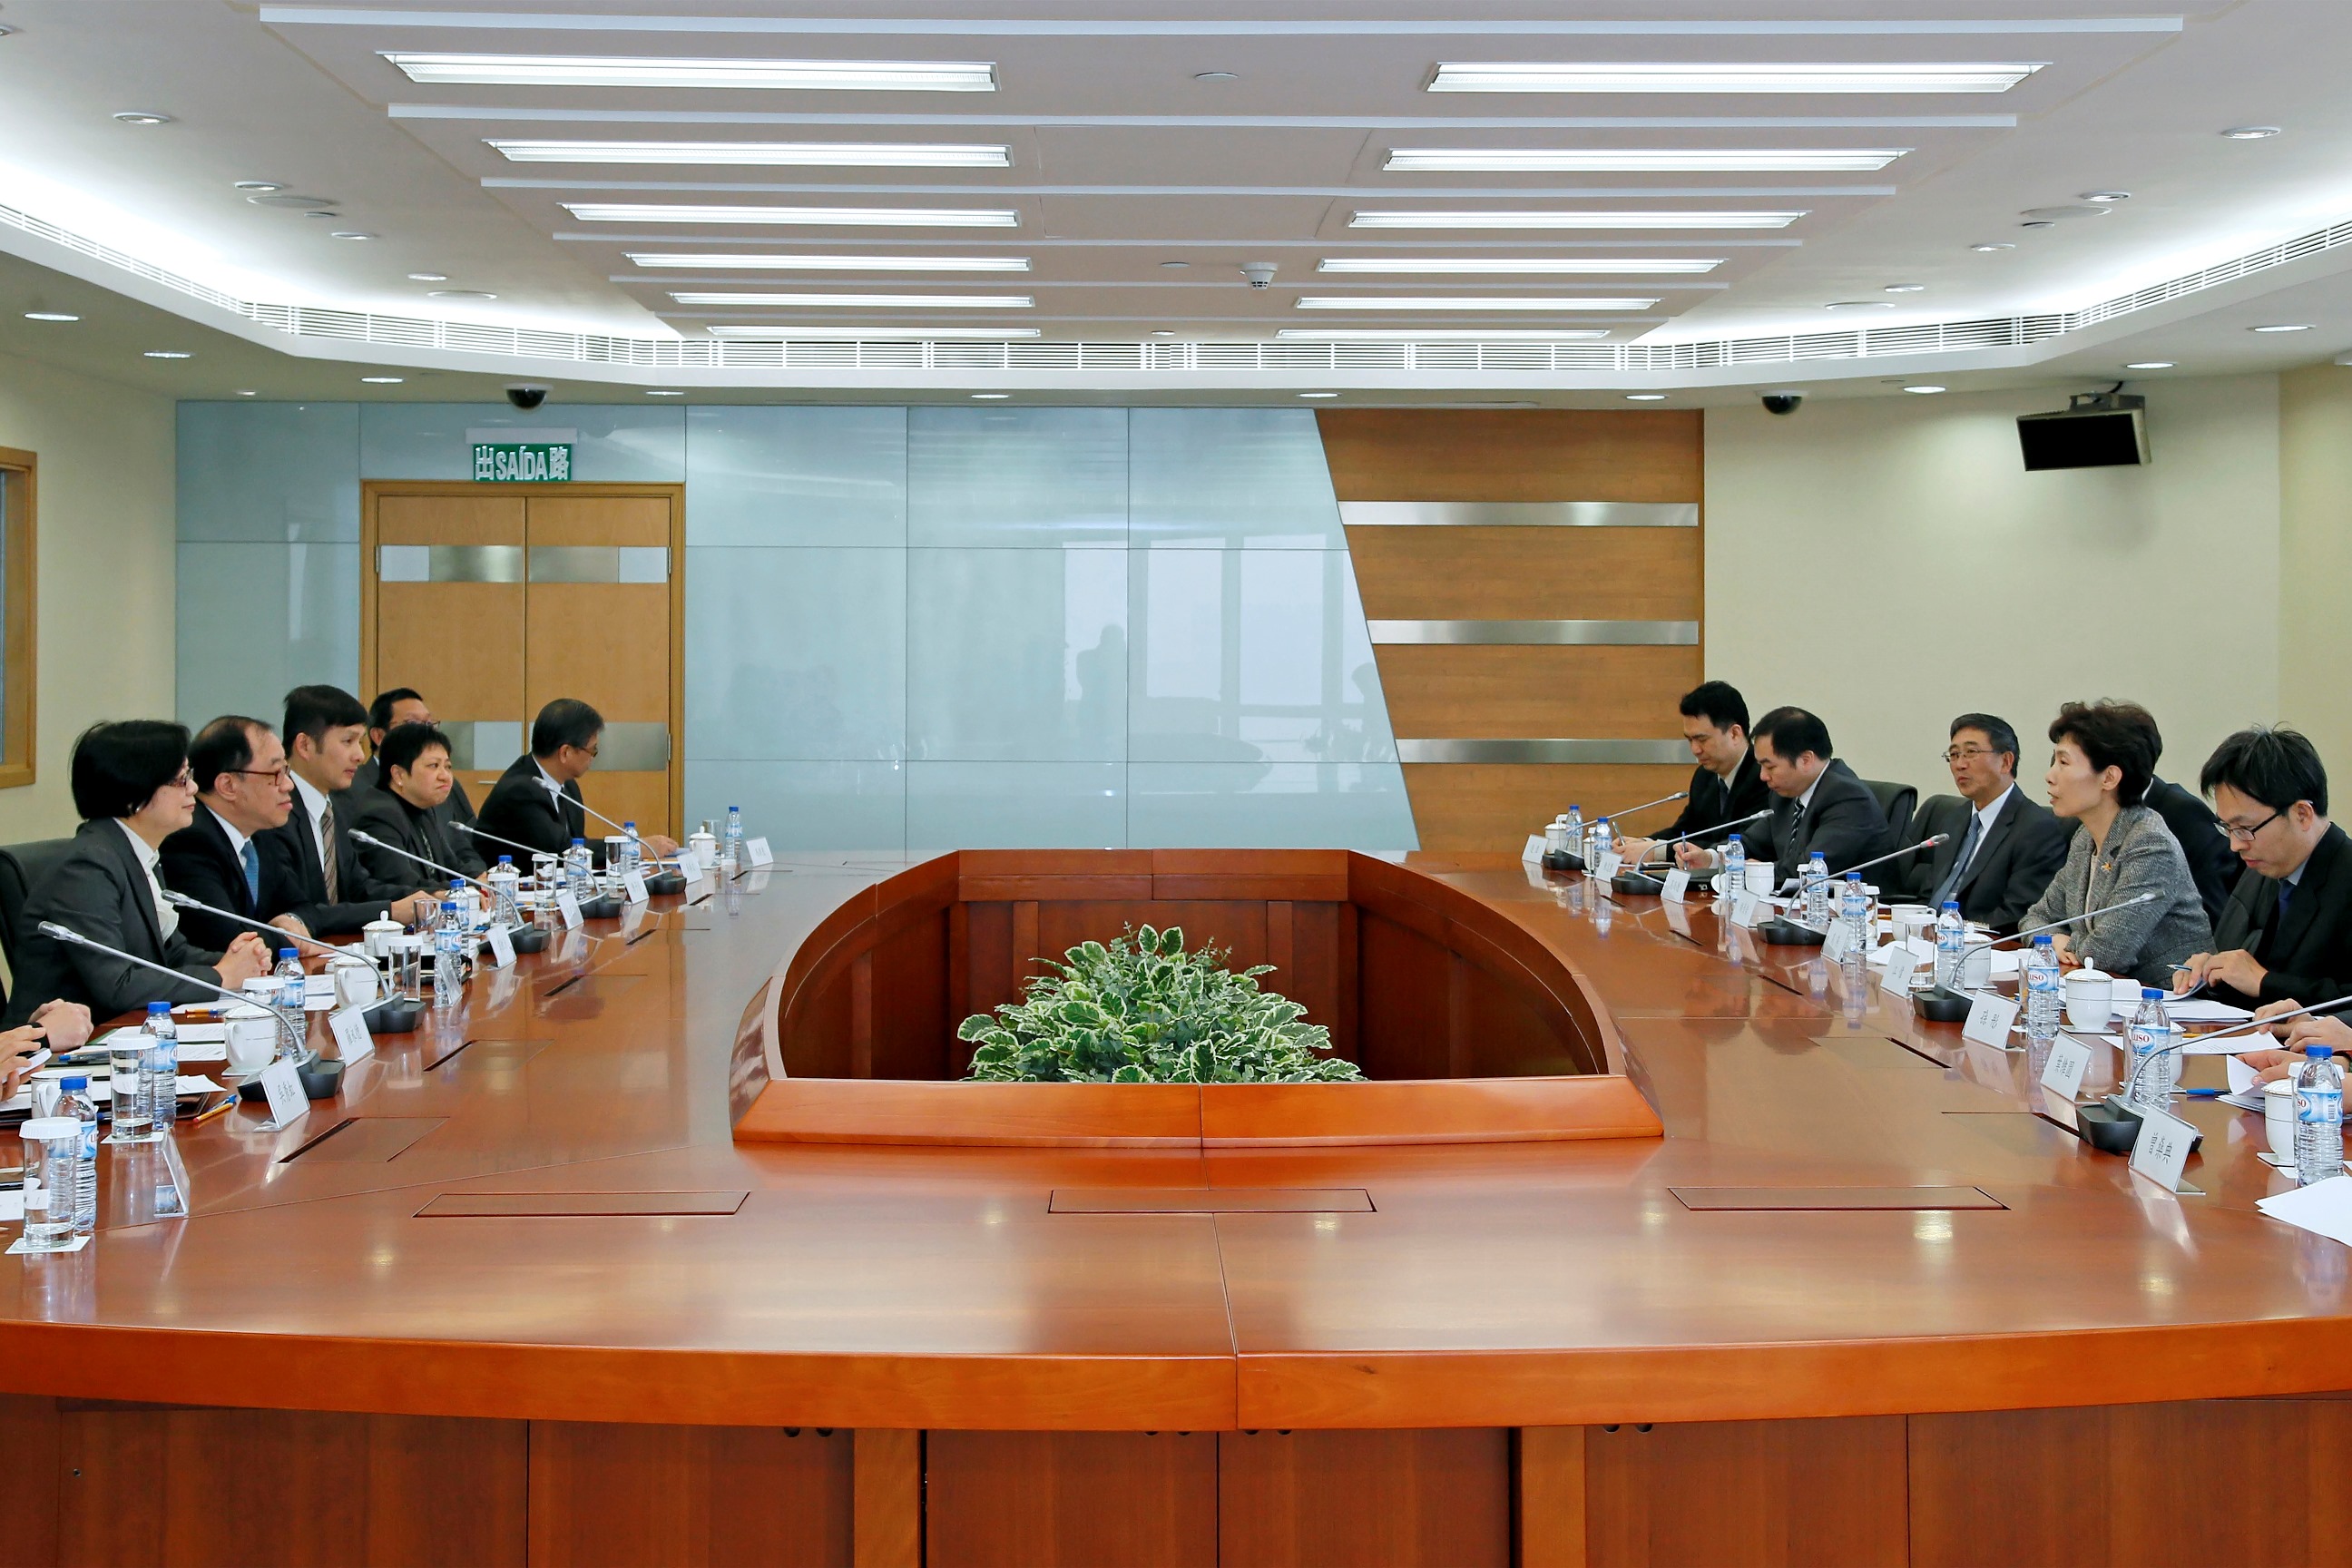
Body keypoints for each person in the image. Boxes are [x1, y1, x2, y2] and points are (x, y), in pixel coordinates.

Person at [4, 721, 271, 1025]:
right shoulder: (87, 867)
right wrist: (220, 976)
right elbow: (117, 985)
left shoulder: (137, 854)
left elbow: (170, 955)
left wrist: (239, 960)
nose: (194, 789)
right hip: (58, 1044)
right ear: (134, 796)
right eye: (181, 779)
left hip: (124, 1029)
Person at [2017, 701, 2211, 987]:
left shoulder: (2150, 845)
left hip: (2166, 1002)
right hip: (2103, 995)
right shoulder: (2085, 838)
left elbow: (2105, 954)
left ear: (2109, 777)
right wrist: (2054, 939)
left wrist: (2060, 941)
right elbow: (2034, 918)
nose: (2050, 775)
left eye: (2064, 762)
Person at [2171, 726, 2352, 1012]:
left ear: (2302, 814)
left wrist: (2265, 982)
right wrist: (2211, 973)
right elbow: (2242, 972)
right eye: (2227, 828)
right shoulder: (2262, 870)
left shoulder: (2345, 876)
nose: (2235, 845)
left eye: (2245, 828)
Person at [268, 685, 430, 936]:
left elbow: (359, 887)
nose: (360, 756)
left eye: (360, 742)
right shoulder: (275, 813)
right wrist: (389, 910)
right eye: (348, 741)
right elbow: (299, 911)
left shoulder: (337, 808)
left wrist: (426, 897)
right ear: (305, 745)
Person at [1896, 713, 2071, 934]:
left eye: (1971, 753)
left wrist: (1951, 932)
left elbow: (2018, 914)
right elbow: (1930, 896)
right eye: (1954, 755)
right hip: (1929, 938)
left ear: (2006, 762)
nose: (1960, 765)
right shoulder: (1954, 818)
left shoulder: (2036, 829)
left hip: (1979, 943)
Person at [1676, 706, 1886, 882]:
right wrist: (1710, 858)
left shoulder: (1848, 798)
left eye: (1770, 767)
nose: (1763, 776)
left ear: (1806, 760)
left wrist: (1754, 871)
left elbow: (1809, 869)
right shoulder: (1785, 795)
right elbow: (1750, 843)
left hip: (1865, 911)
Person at [158, 715, 307, 952]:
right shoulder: (188, 840)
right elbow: (226, 939)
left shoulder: (259, 833)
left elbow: (303, 907)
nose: (288, 784)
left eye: (286, 770)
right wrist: (290, 939)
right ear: (228, 786)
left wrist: (292, 920)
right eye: (275, 773)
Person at [477, 698, 679, 864]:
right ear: (565, 752)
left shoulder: (568, 785)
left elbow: (578, 844)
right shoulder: (520, 791)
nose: (593, 757)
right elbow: (563, 850)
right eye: (592, 750)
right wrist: (634, 849)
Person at [1622, 681, 1769, 865]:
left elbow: (1742, 844)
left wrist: (1657, 851)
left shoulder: (1764, 776)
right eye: (1690, 740)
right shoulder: (1704, 776)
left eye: (1702, 740)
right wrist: (1643, 843)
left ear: (1734, 734)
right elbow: (1684, 831)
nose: (1695, 750)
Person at [348, 723, 487, 901]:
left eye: (448, 766)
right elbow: (403, 883)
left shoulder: (423, 808)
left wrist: (477, 879)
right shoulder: (379, 815)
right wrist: (462, 890)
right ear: (398, 775)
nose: (445, 776)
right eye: (433, 766)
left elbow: (452, 867)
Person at [2140, 711, 2241, 925]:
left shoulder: (2184, 815)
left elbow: (2212, 915)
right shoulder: (2080, 829)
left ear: (2111, 774)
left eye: (2068, 762)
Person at [346, 687, 479, 829]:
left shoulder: (445, 783)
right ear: (378, 736)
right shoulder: (352, 787)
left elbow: (469, 835)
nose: (424, 733)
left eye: (429, 724)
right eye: (412, 724)